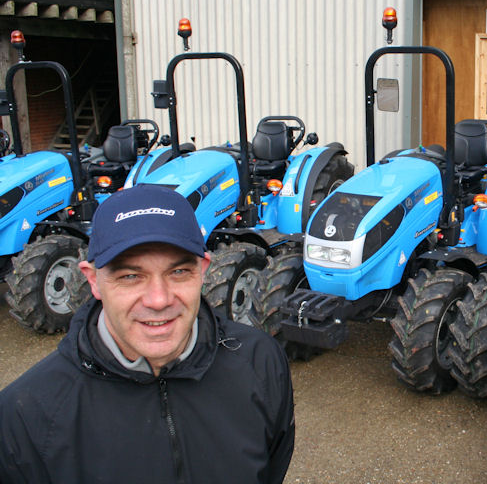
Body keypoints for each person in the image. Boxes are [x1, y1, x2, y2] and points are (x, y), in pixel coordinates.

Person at [0, 184, 295, 483]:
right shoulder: (25, 417)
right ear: (93, 280)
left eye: (178, 272)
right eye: (130, 276)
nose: (159, 299)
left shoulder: (261, 363)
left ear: (203, 270)